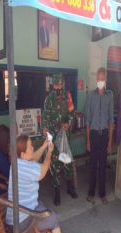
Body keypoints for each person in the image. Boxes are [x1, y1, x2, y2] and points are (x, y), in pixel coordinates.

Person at [6, 135, 76, 233]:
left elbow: (33, 157)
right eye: (30, 147)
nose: (33, 148)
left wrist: (44, 146)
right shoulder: (27, 168)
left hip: (15, 216)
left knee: (41, 204)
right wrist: (49, 153)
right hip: (21, 223)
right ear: (23, 153)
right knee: (53, 218)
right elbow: (43, 171)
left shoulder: (17, 162)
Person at [42, 73, 78, 206]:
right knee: (55, 165)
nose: (58, 87)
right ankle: (57, 192)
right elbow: (45, 117)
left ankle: (70, 188)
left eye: (60, 84)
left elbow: (72, 113)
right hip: (53, 138)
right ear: (53, 85)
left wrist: (68, 123)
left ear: (63, 84)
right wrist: (44, 129)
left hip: (65, 137)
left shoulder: (67, 97)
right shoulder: (48, 99)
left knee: (67, 162)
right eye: (56, 84)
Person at [85, 67, 114, 205]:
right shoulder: (91, 95)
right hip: (94, 135)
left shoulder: (110, 96)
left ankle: (102, 194)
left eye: (102, 79)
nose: (100, 81)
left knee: (103, 166)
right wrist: (88, 141)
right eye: (98, 79)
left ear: (106, 80)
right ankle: (91, 193)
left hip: (104, 137)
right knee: (92, 166)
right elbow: (88, 120)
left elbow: (111, 121)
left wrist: (109, 142)